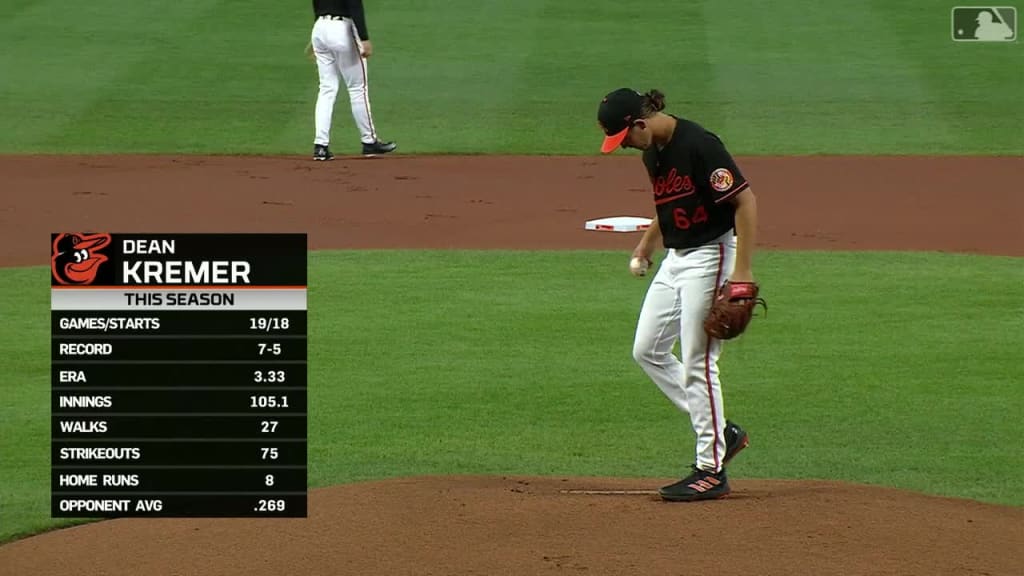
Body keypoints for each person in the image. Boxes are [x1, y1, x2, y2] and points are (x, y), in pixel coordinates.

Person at [597, 87, 757, 502]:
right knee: (647, 349)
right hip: (677, 258)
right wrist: (645, 246)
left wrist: (742, 273)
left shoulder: (700, 144)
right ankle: (724, 433)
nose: (626, 146)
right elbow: (667, 206)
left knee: (698, 361)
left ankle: (711, 469)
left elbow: (745, 202)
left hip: (713, 254)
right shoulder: (653, 152)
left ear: (640, 123)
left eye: (626, 137)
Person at [309, 0, 397, 160]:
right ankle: (369, 141)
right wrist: (364, 38)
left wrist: (319, 34)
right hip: (341, 30)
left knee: (326, 89)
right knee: (357, 88)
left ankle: (320, 146)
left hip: (319, 29)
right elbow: (355, 5)